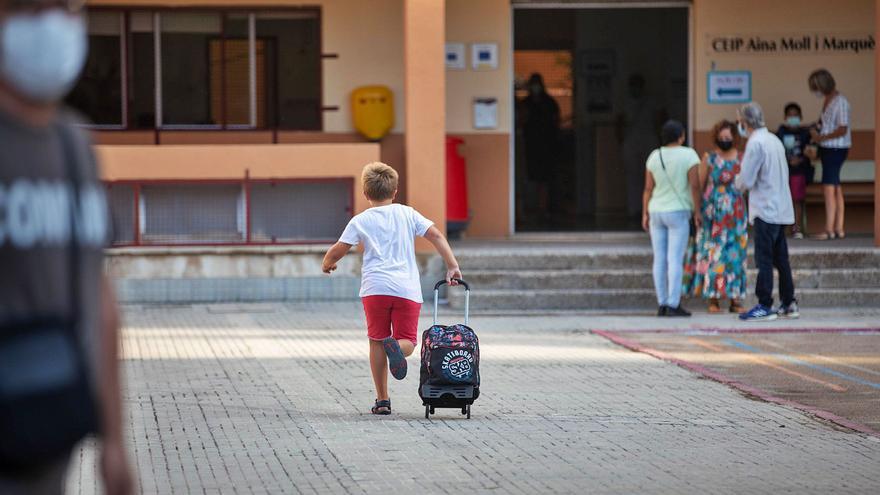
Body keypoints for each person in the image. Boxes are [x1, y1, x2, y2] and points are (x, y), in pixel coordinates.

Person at [0, 1, 132, 494]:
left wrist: (114, 442)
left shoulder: (73, 147)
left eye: (67, 7)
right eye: (30, 6)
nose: (52, 23)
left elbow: (99, 300)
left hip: (44, 436)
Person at [322, 162, 461, 415]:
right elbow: (437, 236)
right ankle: (397, 349)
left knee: (376, 341)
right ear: (395, 191)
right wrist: (452, 266)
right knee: (406, 340)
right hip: (406, 289)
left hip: (375, 289)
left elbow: (339, 248)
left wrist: (328, 263)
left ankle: (382, 400)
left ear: (365, 193)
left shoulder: (360, 220)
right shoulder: (407, 214)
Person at [734, 102, 798, 321]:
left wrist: (736, 182)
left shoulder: (755, 144)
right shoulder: (774, 140)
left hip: (764, 209)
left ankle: (764, 304)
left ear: (745, 122)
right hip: (781, 208)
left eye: (740, 122)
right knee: (782, 260)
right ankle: (789, 302)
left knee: (764, 259)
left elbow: (747, 179)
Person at [686, 120, 748, 314]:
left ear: (734, 138)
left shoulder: (742, 158)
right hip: (713, 214)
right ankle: (713, 298)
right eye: (721, 138)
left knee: (736, 256)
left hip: (736, 214)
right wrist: (697, 211)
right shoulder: (709, 159)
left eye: (728, 138)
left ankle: (735, 298)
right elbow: (699, 186)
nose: (725, 141)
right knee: (713, 255)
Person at [642, 120, 702, 317]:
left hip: (656, 211)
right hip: (678, 212)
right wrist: (697, 211)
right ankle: (674, 303)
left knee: (659, 258)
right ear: (681, 136)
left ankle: (661, 303)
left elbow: (648, 188)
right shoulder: (689, 155)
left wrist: (645, 212)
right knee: (674, 258)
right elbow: (694, 186)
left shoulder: (654, 155)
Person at [808, 69, 851, 240]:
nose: (814, 91)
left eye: (815, 87)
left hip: (835, 148)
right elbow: (824, 123)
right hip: (828, 148)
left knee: (828, 189)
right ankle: (838, 228)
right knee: (836, 188)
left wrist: (820, 137)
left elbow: (842, 128)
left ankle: (829, 229)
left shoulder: (840, 102)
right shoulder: (828, 100)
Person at [619, 74, 661, 221]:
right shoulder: (625, 102)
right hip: (631, 140)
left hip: (649, 139)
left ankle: (650, 210)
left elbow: (658, 119)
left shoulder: (651, 101)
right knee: (632, 176)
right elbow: (620, 121)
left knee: (652, 177)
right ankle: (633, 210)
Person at [520, 73, 560, 221]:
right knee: (531, 179)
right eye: (533, 84)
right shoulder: (526, 103)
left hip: (547, 146)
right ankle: (532, 209)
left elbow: (556, 122)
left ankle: (543, 210)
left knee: (545, 180)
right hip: (530, 146)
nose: (535, 87)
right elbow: (521, 121)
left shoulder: (550, 102)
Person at [776, 103, 813, 238]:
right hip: (784, 171)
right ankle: (782, 229)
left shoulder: (805, 133)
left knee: (797, 199)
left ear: (800, 117)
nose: (793, 118)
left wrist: (801, 159)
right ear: (785, 117)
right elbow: (777, 150)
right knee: (783, 199)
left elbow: (811, 152)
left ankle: (796, 229)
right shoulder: (781, 132)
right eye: (790, 115)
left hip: (799, 171)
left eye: (795, 115)